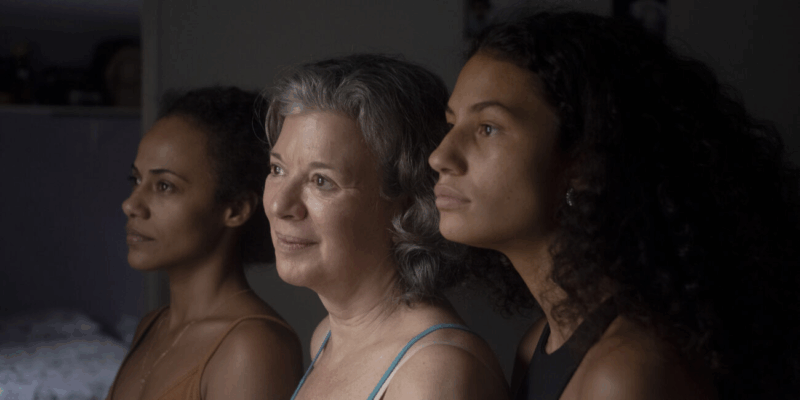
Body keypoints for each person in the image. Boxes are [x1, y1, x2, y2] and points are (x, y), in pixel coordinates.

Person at [429, 11, 800, 400]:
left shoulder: (625, 373)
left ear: (586, 162)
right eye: (452, 124)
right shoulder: (538, 343)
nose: (440, 156)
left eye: (488, 128)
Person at [263, 54, 509, 400]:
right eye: (277, 170)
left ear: (408, 204)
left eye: (322, 181)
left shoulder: (434, 372)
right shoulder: (327, 337)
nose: (279, 205)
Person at [108, 86, 304, 400]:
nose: (132, 204)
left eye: (164, 186)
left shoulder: (253, 346)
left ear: (236, 209)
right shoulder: (151, 327)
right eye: (136, 180)